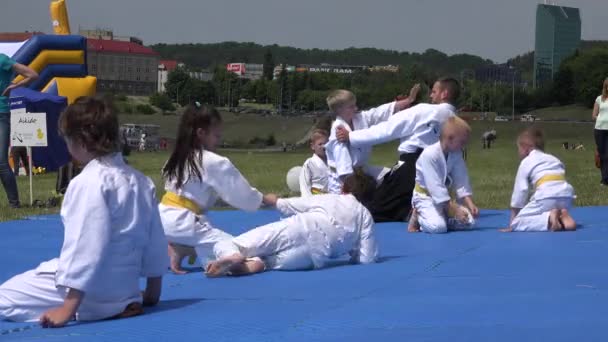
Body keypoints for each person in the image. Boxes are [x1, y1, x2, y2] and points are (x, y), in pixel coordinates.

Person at [0, 97, 168, 327]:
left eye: (67, 140)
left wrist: (67, 309)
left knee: (5, 297)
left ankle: (91, 307)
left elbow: (85, 244)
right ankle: (117, 304)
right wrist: (152, 292)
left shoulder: (89, 182)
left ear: (79, 140)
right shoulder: (142, 182)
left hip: (92, 292)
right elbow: (155, 240)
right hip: (126, 289)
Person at [158, 102, 277, 274]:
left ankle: (181, 247)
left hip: (162, 218)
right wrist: (263, 200)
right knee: (236, 247)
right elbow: (240, 193)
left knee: (208, 241)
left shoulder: (177, 157)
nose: (218, 141)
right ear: (201, 133)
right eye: (216, 136)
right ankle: (234, 261)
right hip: (185, 221)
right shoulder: (211, 161)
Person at [205, 171, 378, 277]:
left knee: (228, 244)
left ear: (343, 189)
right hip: (315, 256)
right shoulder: (365, 216)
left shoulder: (332, 198)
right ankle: (259, 264)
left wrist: (272, 200)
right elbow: (367, 257)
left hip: (299, 228)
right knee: (270, 262)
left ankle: (234, 254)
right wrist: (353, 253)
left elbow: (289, 205)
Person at [336, 77, 461, 222]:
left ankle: (408, 212)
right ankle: (410, 211)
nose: (431, 96)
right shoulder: (456, 121)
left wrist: (351, 136)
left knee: (373, 209)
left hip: (410, 166)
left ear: (444, 94)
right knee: (400, 197)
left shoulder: (424, 110)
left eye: (434, 92)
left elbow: (387, 129)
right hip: (440, 172)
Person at [324, 84, 420, 194]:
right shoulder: (338, 131)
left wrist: (408, 100)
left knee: (390, 173)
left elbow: (378, 112)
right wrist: (349, 188)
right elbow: (343, 166)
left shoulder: (359, 118)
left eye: (355, 105)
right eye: (351, 106)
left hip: (362, 169)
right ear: (339, 110)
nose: (356, 108)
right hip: (343, 181)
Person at [407, 116, 479, 234]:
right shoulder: (429, 155)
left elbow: (461, 179)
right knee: (438, 228)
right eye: (462, 142)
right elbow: (435, 188)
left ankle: (444, 219)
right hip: (425, 197)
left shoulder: (456, 154)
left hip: (445, 200)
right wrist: (455, 210)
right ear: (450, 138)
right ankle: (418, 216)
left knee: (469, 223)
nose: (463, 146)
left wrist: (470, 203)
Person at [500, 127, 576, 232]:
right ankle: (562, 218)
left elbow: (520, 192)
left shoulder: (527, 161)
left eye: (518, 148)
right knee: (548, 206)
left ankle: (550, 218)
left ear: (525, 148)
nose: (518, 152)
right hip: (567, 197)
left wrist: (512, 222)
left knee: (518, 222)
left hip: (546, 196)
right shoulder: (554, 158)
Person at [0, 53, 38, 208]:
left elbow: (32, 74)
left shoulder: (2, 60)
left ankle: (14, 203)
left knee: (1, 161)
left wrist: (14, 86)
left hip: (1, 114)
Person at [299, 129, 329, 196]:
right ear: (312, 146)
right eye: (320, 144)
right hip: (316, 199)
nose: (324, 146)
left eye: (326, 143)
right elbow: (305, 186)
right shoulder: (309, 163)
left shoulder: (333, 162)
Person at [592, 77, 608, 185]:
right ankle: (604, 179)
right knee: (603, 155)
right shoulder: (599, 99)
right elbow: (593, 115)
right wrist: (600, 119)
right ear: (605, 87)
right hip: (599, 130)